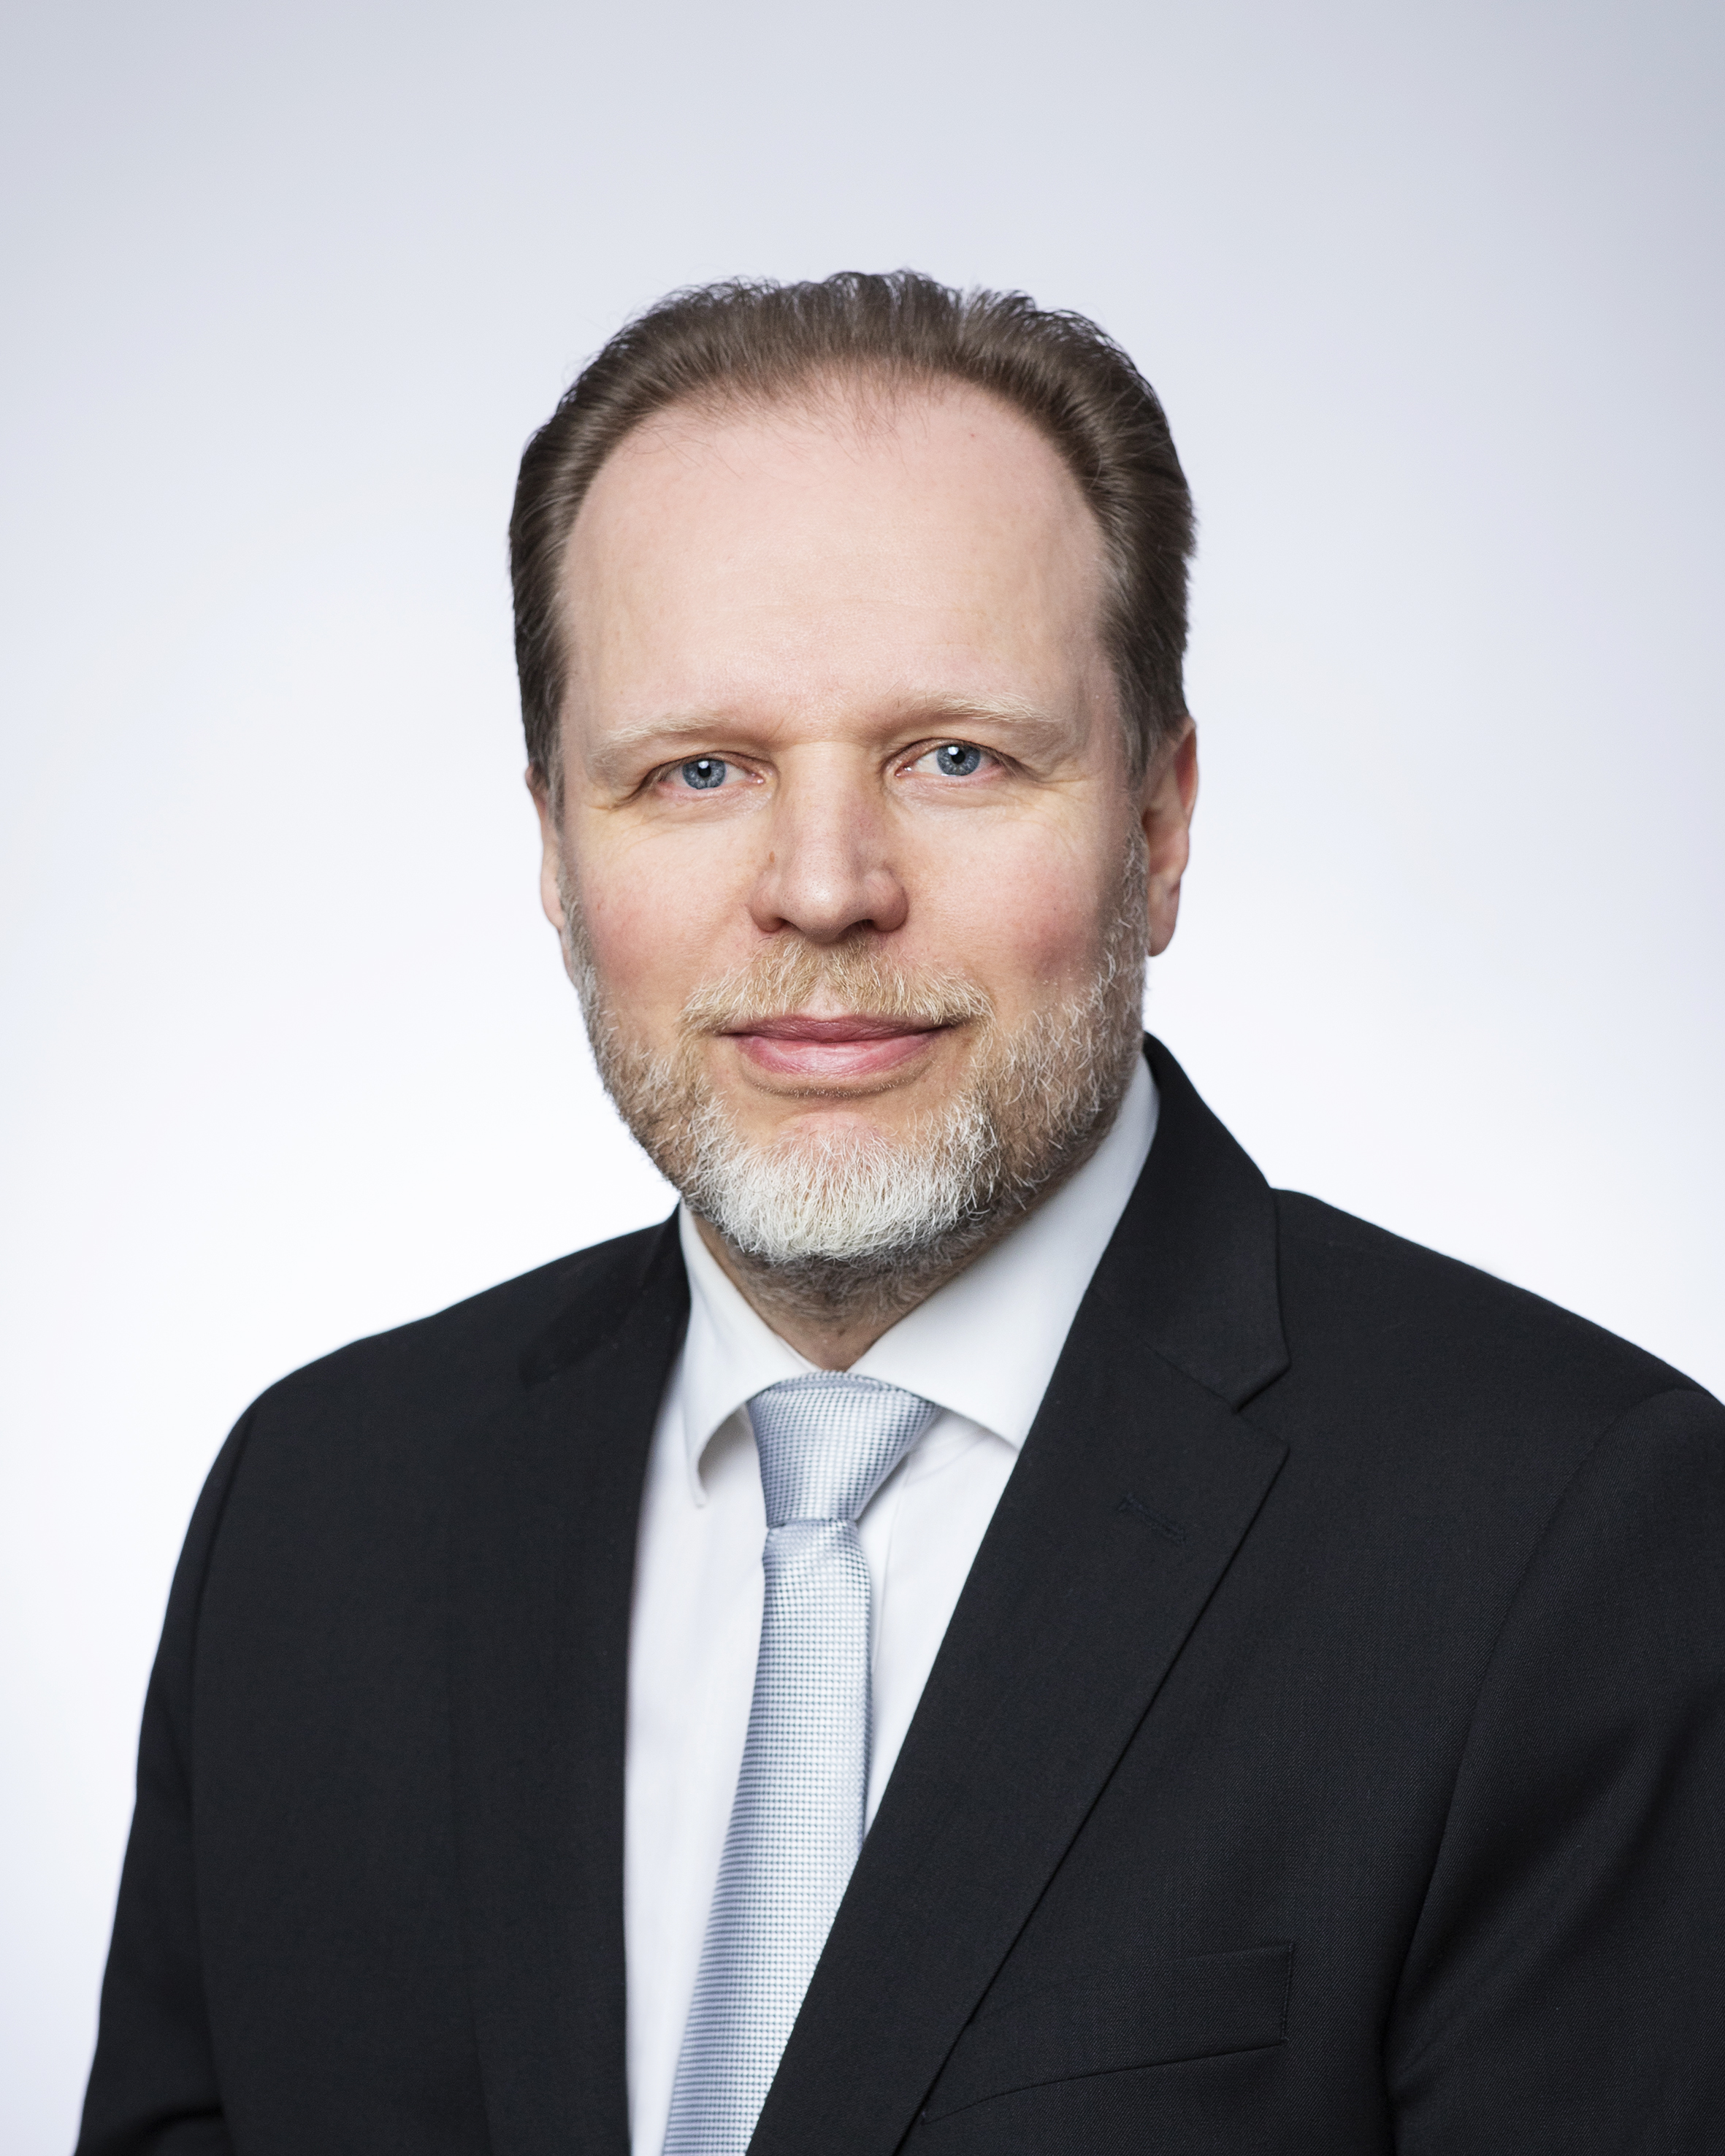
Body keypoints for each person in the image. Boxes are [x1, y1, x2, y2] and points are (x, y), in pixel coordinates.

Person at [78, 272, 1724, 2156]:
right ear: (553, 845)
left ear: (1159, 822)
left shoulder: (1574, 1543)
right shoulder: (315, 1516)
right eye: (698, 770)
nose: (823, 885)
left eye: (955, 756)